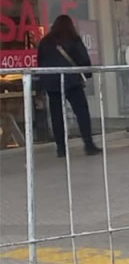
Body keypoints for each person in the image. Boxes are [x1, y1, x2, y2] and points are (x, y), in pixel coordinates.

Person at [35, 15, 101, 158]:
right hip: (71, 81)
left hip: (52, 83)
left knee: (57, 115)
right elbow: (83, 59)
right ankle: (88, 144)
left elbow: (40, 64)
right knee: (82, 112)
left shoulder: (45, 42)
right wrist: (86, 75)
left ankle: (61, 149)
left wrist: (40, 87)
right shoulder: (73, 39)